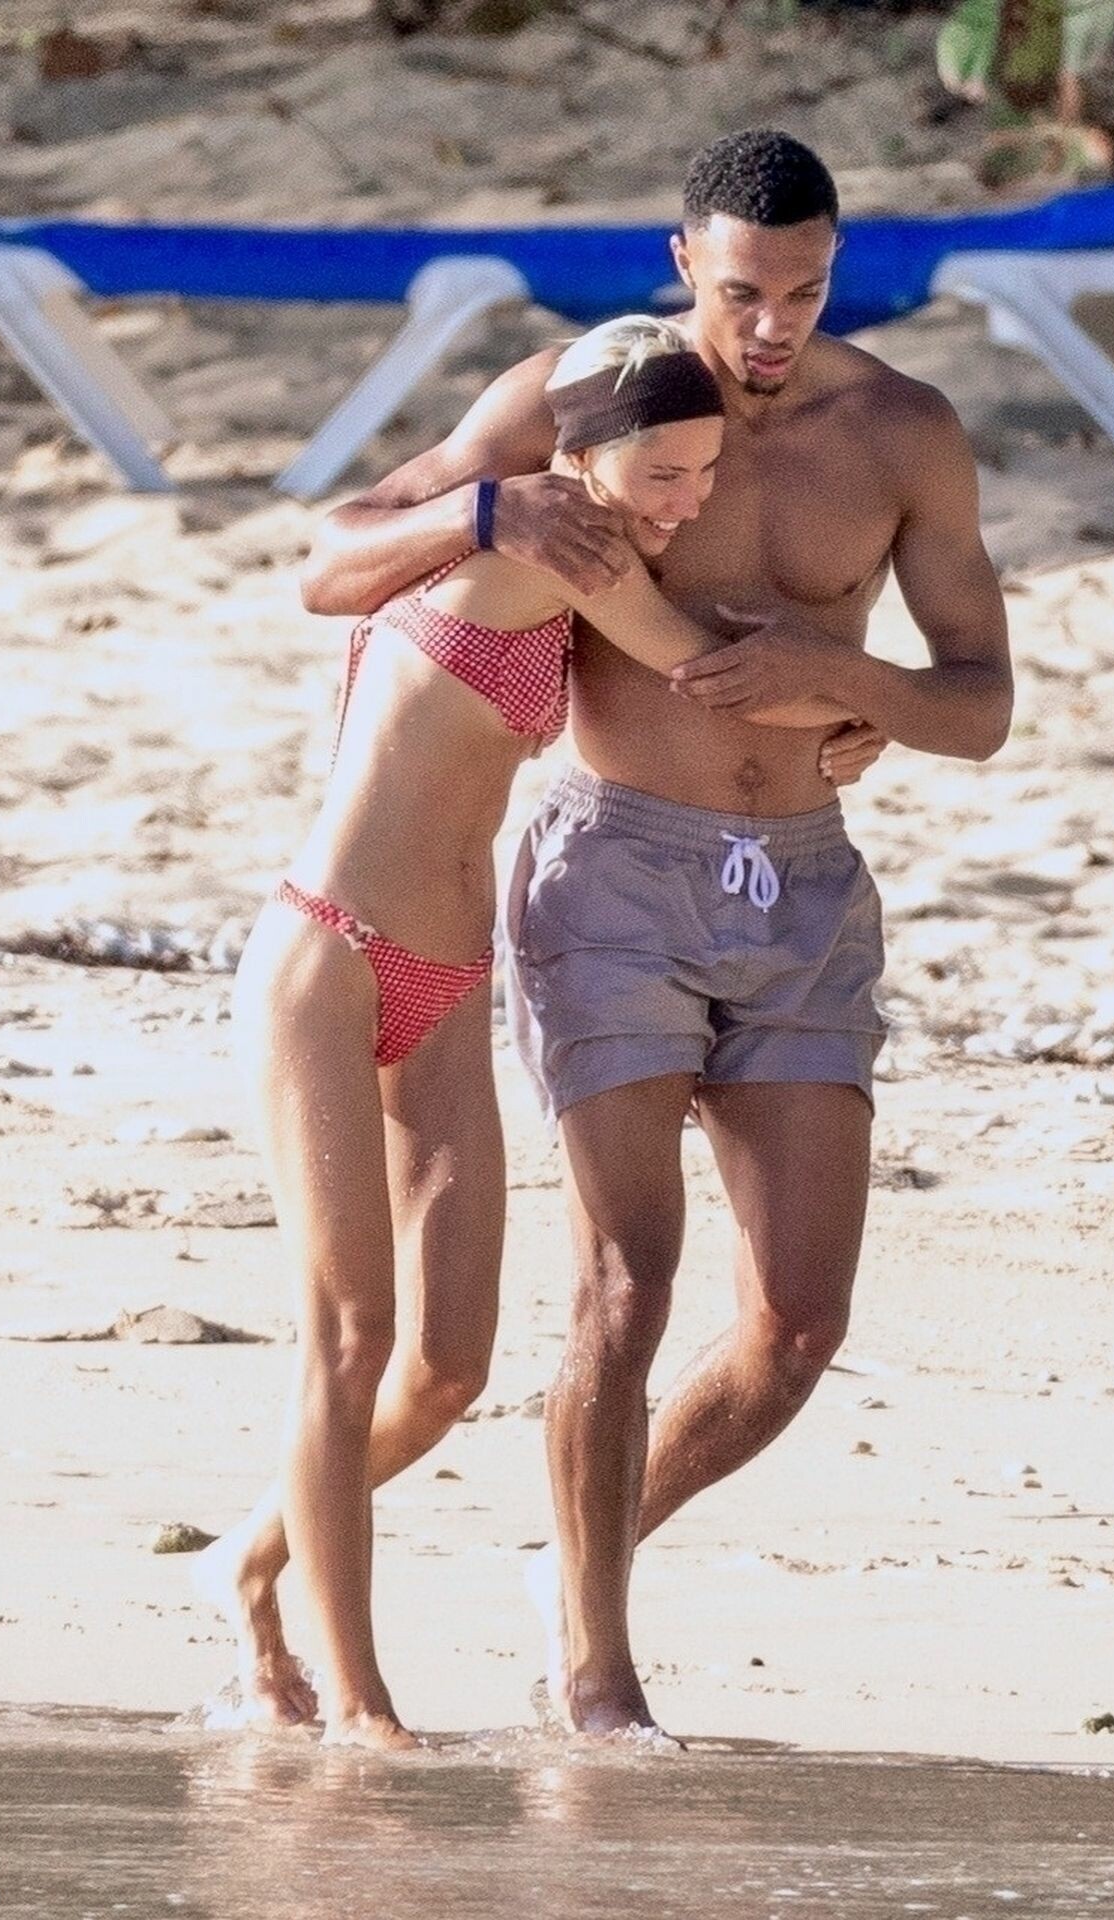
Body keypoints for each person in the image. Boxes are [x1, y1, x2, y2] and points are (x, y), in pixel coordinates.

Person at [298, 128, 1013, 1739]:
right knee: (625, 1284)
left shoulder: (903, 430)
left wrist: (855, 686)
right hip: (616, 870)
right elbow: (332, 555)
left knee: (796, 1326)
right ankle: (597, 1677)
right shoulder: (588, 396)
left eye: (806, 292)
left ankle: (579, 1557)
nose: (773, 326)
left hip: (805, 890)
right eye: (745, 291)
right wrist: (486, 508)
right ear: (684, 261)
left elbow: (980, 704)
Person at [199, 316, 871, 1749]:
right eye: (665, 475)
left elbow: (701, 678)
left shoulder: (576, 547)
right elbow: (701, 667)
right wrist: (887, 701)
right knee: (351, 1335)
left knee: (445, 1370)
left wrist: (847, 727)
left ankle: (247, 1566)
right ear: (582, 462)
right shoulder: (551, 544)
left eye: (706, 475)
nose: (689, 504)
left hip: (448, 976)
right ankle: (358, 1705)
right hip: (328, 958)